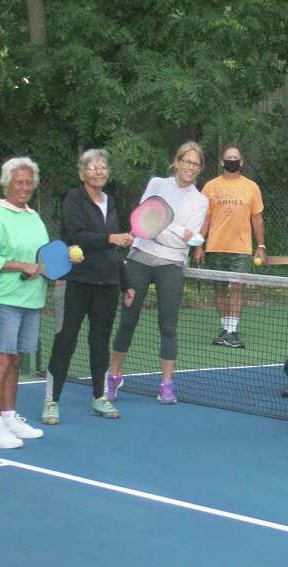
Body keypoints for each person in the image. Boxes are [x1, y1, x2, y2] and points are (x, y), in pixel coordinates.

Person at [106, 142, 209, 404]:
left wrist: (166, 228)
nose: (189, 167)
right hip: (139, 258)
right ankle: (114, 375)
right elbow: (143, 222)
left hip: (171, 265)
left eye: (195, 164)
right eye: (186, 161)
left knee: (168, 326)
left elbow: (188, 239)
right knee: (127, 321)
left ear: (200, 169)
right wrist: (179, 230)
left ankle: (166, 384)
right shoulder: (156, 185)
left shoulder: (200, 200)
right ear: (177, 161)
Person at [42, 149, 133, 424]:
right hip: (78, 281)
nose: (98, 171)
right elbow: (76, 234)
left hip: (107, 282)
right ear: (82, 173)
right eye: (92, 167)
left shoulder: (110, 201)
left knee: (100, 342)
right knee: (65, 340)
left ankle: (100, 398)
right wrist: (111, 238)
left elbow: (114, 250)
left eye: (103, 166)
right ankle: (51, 401)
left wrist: (125, 283)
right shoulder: (74, 198)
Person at [0, 157, 50, 449]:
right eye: (19, 182)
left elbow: (40, 256)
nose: (24, 187)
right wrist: (21, 266)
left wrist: (51, 269)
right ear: (6, 184)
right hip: (3, 299)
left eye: (29, 182)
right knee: (1, 361)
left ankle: (9, 418)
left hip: (31, 299)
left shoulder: (34, 217)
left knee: (16, 361)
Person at [194, 145, 265, 349]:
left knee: (237, 288)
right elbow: (204, 218)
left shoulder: (251, 187)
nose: (231, 160)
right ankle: (225, 329)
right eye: (228, 158)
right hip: (215, 247)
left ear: (241, 162)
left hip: (241, 249)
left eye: (235, 157)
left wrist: (261, 245)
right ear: (221, 162)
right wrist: (199, 245)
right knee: (219, 289)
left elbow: (257, 218)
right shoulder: (210, 186)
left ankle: (233, 331)